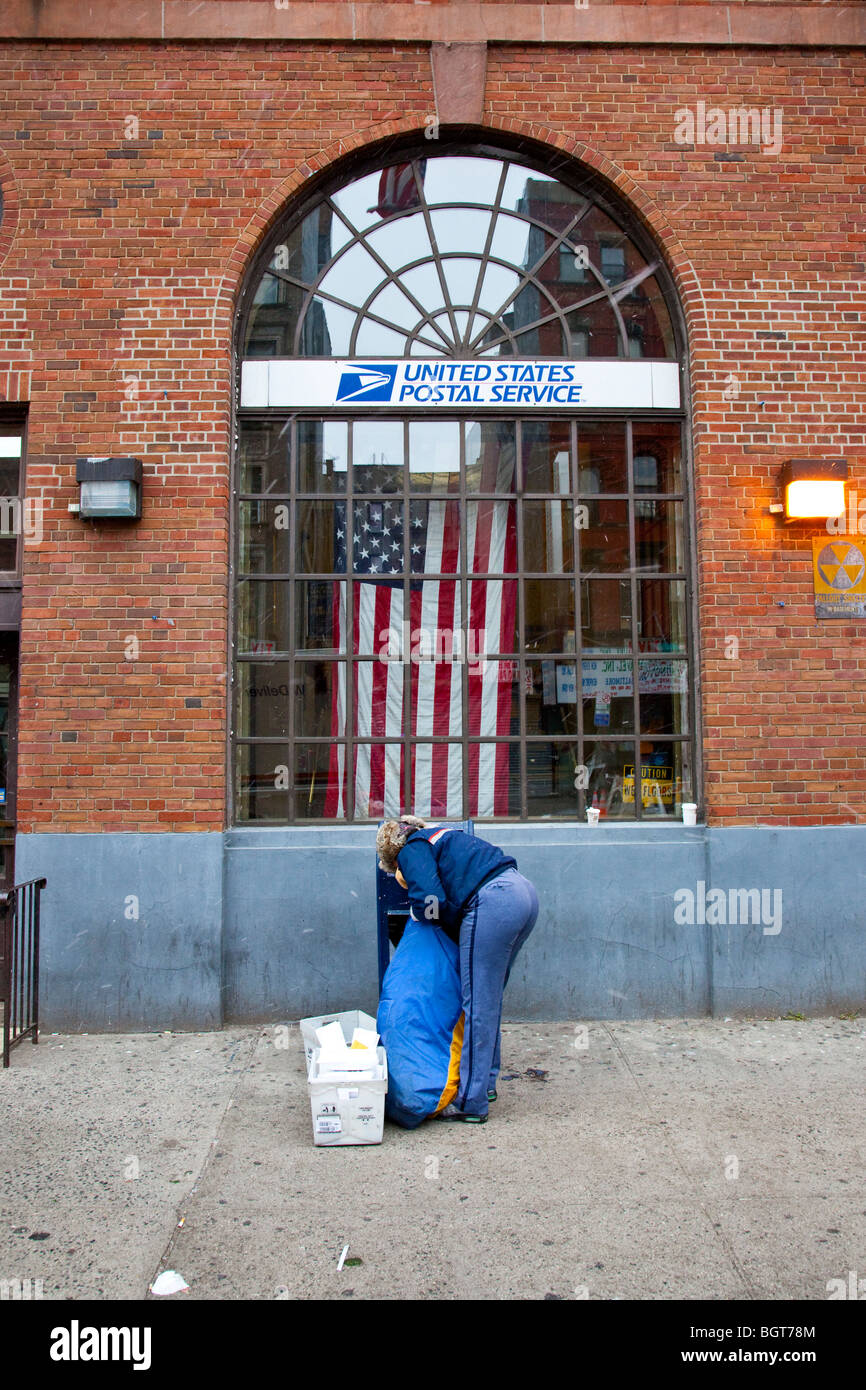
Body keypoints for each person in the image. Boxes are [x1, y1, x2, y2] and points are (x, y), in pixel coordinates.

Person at [376, 815, 539, 1124]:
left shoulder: (411, 848)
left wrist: (453, 924)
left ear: (394, 858)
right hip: (523, 893)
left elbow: (432, 900)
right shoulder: (443, 836)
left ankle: (471, 1102)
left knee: (477, 1005)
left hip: (494, 902)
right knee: (488, 1002)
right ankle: (486, 1083)